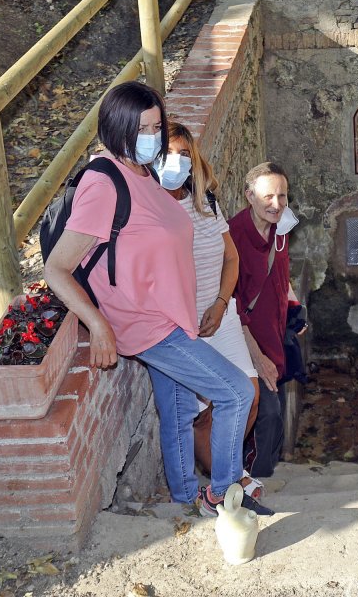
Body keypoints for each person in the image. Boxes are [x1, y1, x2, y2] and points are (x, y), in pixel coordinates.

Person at [43, 82, 272, 517]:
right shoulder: (104, 182)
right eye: (142, 127)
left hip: (173, 315)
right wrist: (97, 324)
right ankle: (222, 491)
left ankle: (186, 499)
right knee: (237, 393)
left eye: (156, 125)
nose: (152, 135)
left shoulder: (142, 173)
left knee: (179, 409)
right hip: (146, 323)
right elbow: (57, 268)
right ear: (118, 128)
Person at [156, 122, 263, 499]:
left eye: (185, 154)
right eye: (169, 153)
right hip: (184, 325)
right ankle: (229, 482)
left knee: (249, 395)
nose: (177, 162)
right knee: (205, 412)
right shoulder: (148, 205)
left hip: (220, 313)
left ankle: (230, 473)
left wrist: (220, 304)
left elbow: (231, 258)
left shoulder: (204, 200)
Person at [228, 161, 302, 479]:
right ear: (249, 196)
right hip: (246, 343)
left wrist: (295, 310)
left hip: (275, 335)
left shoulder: (281, 228)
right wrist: (256, 357)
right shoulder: (233, 236)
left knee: (275, 419)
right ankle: (251, 483)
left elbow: (280, 275)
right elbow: (232, 304)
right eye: (269, 196)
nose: (277, 204)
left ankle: (266, 477)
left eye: (283, 196)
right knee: (266, 415)